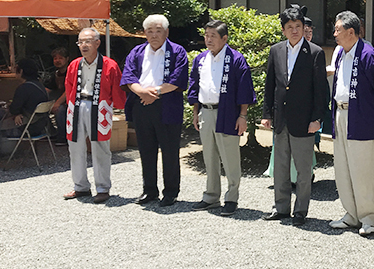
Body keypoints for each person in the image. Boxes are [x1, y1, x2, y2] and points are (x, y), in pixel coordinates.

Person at [261, 6, 328, 226]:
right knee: (280, 167)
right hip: (281, 119)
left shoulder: (315, 52)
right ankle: (281, 208)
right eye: (290, 27)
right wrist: (267, 114)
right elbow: (270, 84)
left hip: (304, 119)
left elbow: (321, 90)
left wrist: (317, 118)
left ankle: (301, 210)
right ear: (283, 30)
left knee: (303, 169)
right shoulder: (276, 51)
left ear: (304, 27)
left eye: (298, 26)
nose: (295, 31)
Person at [329, 11, 374, 237]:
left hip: (363, 117)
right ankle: (351, 214)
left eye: (338, 30)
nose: (334, 34)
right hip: (341, 114)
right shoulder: (340, 54)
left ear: (351, 32)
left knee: (363, 169)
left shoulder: (369, 55)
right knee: (343, 167)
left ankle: (370, 217)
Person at [187, 20, 256, 216]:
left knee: (230, 157)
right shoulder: (201, 59)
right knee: (209, 157)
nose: (208, 39)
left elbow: (244, 89)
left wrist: (243, 116)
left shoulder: (235, 59)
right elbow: (194, 86)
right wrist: (195, 112)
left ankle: (232, 197)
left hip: (228, 112)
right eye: (206, 35)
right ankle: (211, 196)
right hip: (206, 112)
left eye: (213, 36)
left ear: (224, 39)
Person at [120, 14, 189, 207]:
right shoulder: (137, 51)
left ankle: (171, 192)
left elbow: (177, 79)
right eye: (149, 31)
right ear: (144, 33)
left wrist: (155, 92)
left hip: (167, 105)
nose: (154, 35)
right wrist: (142, 92)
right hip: (142, 104)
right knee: (146, 150)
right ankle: (149, 190)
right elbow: (128, 76)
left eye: (158, 31)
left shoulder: (177, 51)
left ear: (166, 32)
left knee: (169, 151)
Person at [63, 28, 126, 204]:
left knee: (101, 148)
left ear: (97, 43)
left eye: (87, 41)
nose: (83, 45)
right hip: (76, 106)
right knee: (75, 147)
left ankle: (102, 187)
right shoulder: (74, 64)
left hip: (100, 106)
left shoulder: (109, 65)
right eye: (80, 42)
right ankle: (80, 186)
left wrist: (119, 107)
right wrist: (70, 105)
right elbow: (69, 87)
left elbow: (117, 88)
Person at [0, 59, 49, 167]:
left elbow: (13, 109)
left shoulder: (23, 88)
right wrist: (17, 113)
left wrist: (16, 112)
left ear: (21, 71)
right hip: (40, 125)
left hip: (26, 128)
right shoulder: (39, 85)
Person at [44, 47, 70, 145]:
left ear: (67, 59)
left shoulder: (72, 72)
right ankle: (52, 132)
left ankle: (63, 137)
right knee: (43, 108)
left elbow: (69, 91)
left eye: (60, 58)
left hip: (74, 100)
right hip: (62, 101)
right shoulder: (56, 74)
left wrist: (57, 103)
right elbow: (48, 88)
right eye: (55, 58)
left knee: (60, 110)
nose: (57, 60)